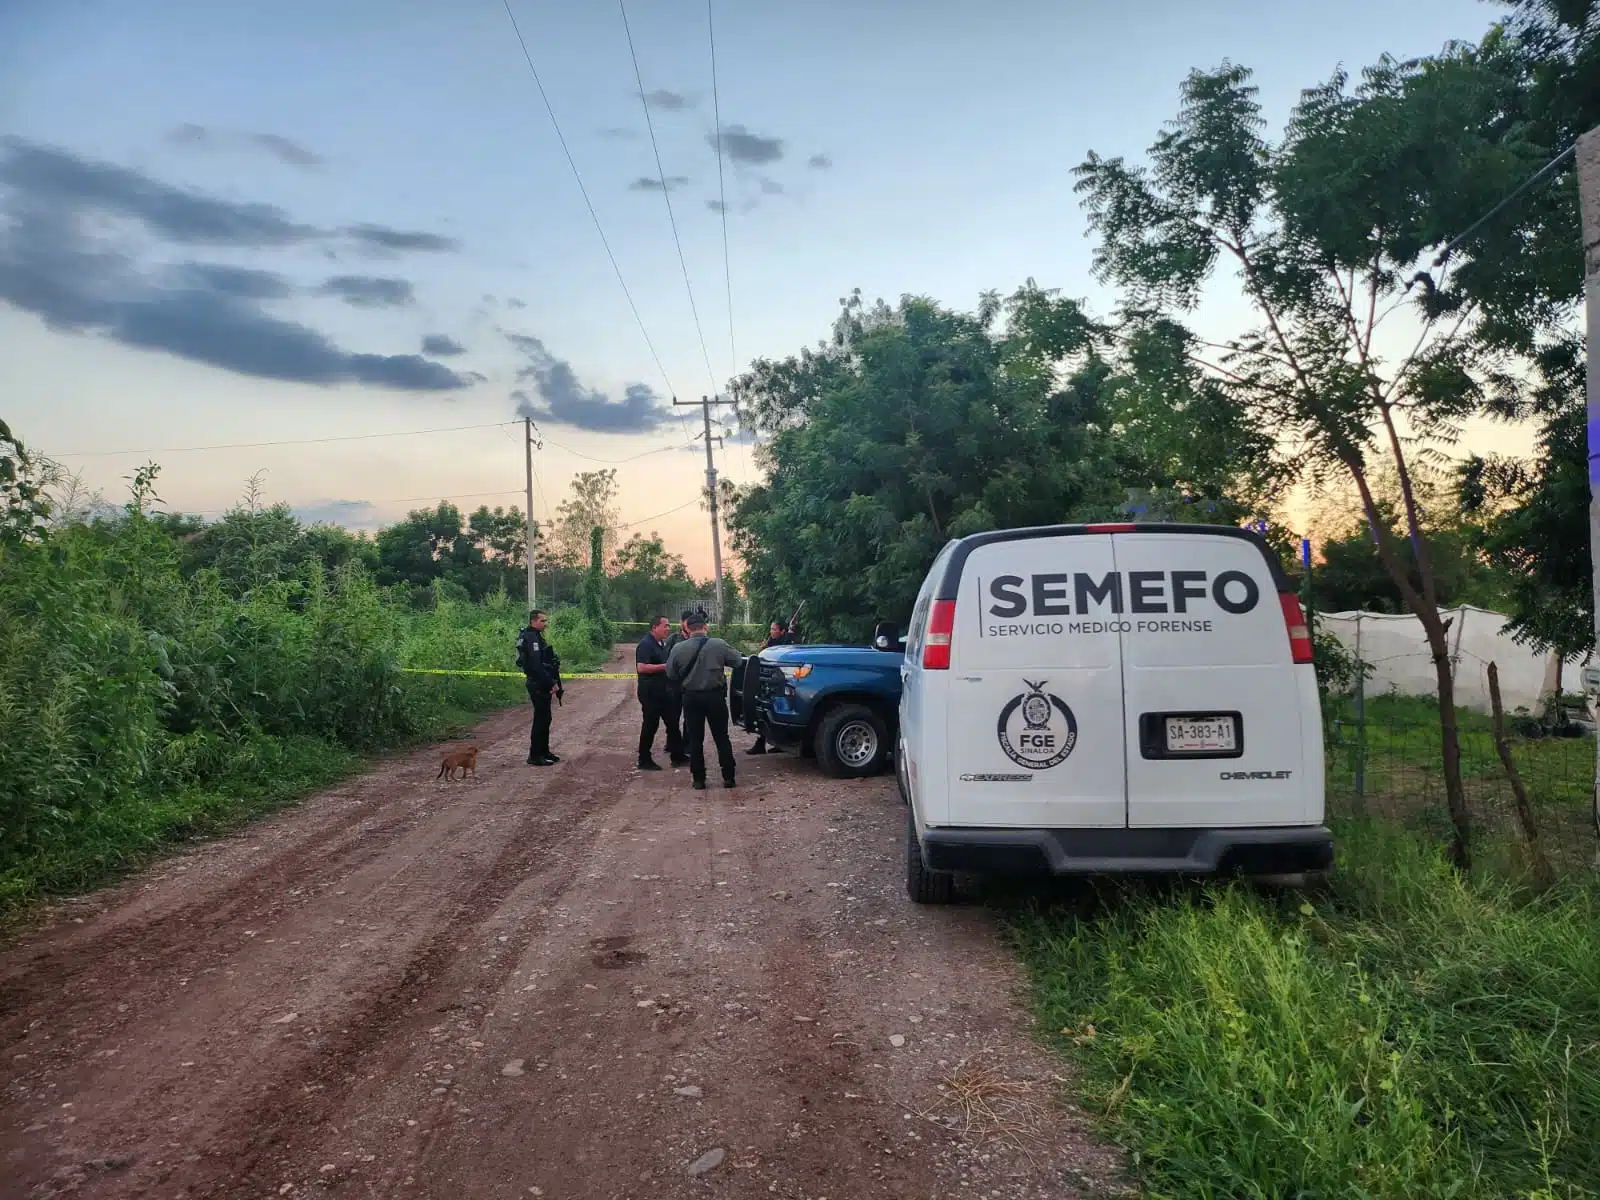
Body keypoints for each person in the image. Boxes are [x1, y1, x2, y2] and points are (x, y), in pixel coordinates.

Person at [666, 611, 742, 790]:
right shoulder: (719, 645)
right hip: (715, 697)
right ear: (705, 627)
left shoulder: (678, 648)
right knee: (722, 737)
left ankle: (699, 779)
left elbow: (670, 673)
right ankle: (729, 777)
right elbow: (738, 661)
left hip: (691, 698)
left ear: (688, 628)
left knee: (695, 739)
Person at [634, 615, 685, 770]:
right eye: (665, 626)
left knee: (673, 724)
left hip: (664, 691)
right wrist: (665, 666)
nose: (668, 629)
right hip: (650, 693)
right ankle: (644, 759)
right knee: (650, 726)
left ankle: (678, 755)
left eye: (668, 626)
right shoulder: (645, 644)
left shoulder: (662, 643)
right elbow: (641, 668)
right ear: (655, 627)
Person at [516, 609, 562, 766]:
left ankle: (544, 751)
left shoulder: (535, 636)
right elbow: (535, 666)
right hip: (537, 683)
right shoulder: (531, 638)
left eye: (546, 621)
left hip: (540, 682)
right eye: (542, 621)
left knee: (545, 718)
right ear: (533, 621)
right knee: (541, 719)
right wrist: (551, 683)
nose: (545, 624)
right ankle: (535, 755)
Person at [745, 619, 795, 755]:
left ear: (782, 631)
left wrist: (790, 633)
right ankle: (761, 743)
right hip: (767, 682)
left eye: (774, 629)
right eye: (771, 629)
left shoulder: (786, 642)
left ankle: (778, 743)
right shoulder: (771, 643)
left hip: (779, 684)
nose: (771, 632)